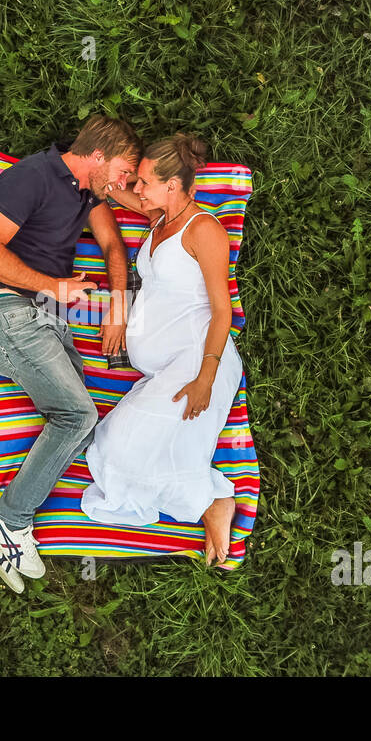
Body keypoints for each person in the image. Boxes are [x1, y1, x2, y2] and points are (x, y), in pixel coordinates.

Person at [0, 115, 143, 594]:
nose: (125, 185)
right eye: (124, 172)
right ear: (99, 155)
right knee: (77, 415)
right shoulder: (31, 176)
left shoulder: (88, 193)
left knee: (83, 428)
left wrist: (119, 310)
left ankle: (13, 519)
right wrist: (53, 286)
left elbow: (112, 246)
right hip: (5, 315)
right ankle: (7, 521)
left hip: (47, 321)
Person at [80, 132, 242, 566]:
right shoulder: (158, 218)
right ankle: (208, 500)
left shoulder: (203, 230)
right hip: (164, 367)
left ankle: (211, 502)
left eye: (146, 181)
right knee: (116, 444)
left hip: (198, 360)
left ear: (173, 185)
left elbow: (223, 311)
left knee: (115, 450)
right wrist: (85, 169)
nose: (138, 189)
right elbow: (112, 188)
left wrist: (205, 377)